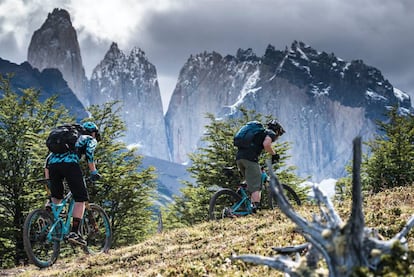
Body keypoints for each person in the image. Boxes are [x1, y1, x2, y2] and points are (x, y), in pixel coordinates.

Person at [45, 121, 102, 246]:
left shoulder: (67, 139)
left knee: (57, 197)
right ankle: (74, 233)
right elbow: (89, 155)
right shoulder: (88, 138)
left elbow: (48, 160)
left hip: (53, 167)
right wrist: (94, 172)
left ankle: (49, 216)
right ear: (93, 132)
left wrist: (48, 180)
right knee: (80, 198)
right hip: (70, 165)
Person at [235, 119, 285, 212]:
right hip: (249, 159)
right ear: (277, 131)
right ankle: (255, 210)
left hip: (239, 158)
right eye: (279, 135)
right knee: (256, 187)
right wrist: (274, 154)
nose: (277, 137)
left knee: (250, 181)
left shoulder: (258, 134)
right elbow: (266, 145)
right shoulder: (271, 133)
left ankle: (242, 197)